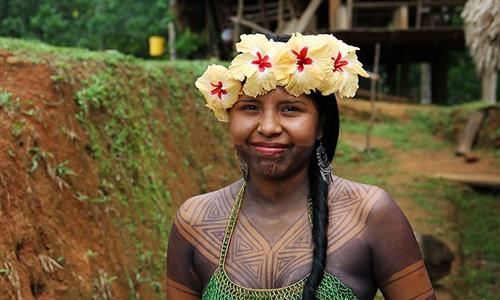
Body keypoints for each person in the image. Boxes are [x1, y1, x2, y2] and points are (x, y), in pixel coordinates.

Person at [166, 33, 435, 300]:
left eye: (290, 109)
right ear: (229, 115)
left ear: (320, 125)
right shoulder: (195, 222)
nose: (268, 127)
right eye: (250, 107)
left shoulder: (369, 215)